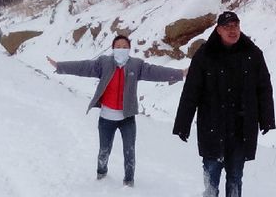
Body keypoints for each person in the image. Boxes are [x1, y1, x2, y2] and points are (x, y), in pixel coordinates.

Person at [172, 11, 275, 197]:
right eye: (227, 27)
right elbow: (191, 91)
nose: (232, 30)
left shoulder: (252, 54)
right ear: (218, 30)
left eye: (235, 26)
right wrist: (183, 124)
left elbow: (264, 87)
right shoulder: (204, 55)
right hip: (213, 124)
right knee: (211, 168)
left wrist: (267, 119)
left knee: (236, 172)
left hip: (241, 125)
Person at [47, 35, 185, 187]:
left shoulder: (136, 65)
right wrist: (60, 66)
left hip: (127, 118)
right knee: (104, 150)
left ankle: (129, 181)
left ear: (129, 49)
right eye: (118, 46)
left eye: (124, 46)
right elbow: (83, 67)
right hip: (106, 117)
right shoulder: (104, 63)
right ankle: (101, 174)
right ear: (113, 49)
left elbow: (155, 72)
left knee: (129, 151)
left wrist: (180, 74)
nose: (121, 49)